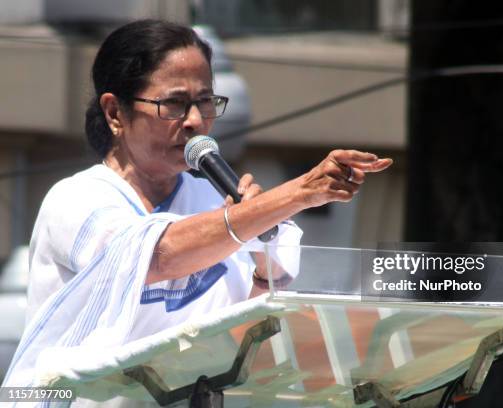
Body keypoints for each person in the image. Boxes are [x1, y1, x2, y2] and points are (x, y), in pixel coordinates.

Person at [2, 19, 392, 404]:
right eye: (173, 103)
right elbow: (159, 255)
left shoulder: (213, 202)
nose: (194, 122)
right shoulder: (76, 200)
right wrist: (295, 195)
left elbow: (245, 335)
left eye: (204, 102)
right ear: (115, 113)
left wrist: (262, 258)